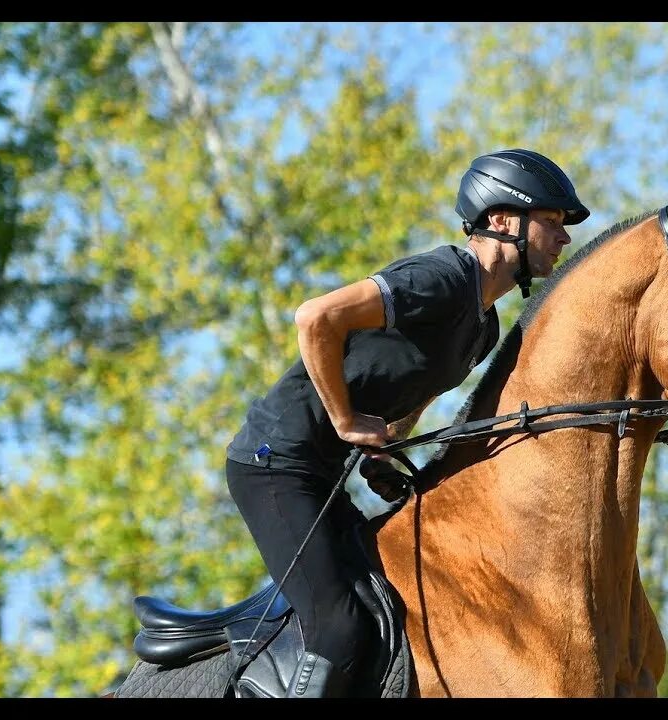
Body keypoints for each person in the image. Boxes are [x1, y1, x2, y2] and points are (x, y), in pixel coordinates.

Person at [223, 149, 590, 697]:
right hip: (273, 463)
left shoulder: (483, 327)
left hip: (321, 475)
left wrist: (382, 449)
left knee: (390, 608)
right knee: (341, 629)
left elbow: (408, 390)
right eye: (553, 222)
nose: (563, 239)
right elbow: (316, 317)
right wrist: (346, 420)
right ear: (503, 221)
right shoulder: (441, 279)